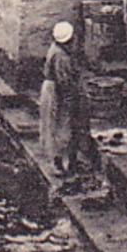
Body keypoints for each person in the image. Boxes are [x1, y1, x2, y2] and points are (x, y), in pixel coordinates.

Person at [39, 21, 91, 178]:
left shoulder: (56, 50)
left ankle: (64, 161)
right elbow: (64, 83)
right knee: (62, 127)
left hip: (52, 88)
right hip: (56, 93)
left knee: (54, 126)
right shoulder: (61, 57)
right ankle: (59, 162)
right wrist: (72, 100)